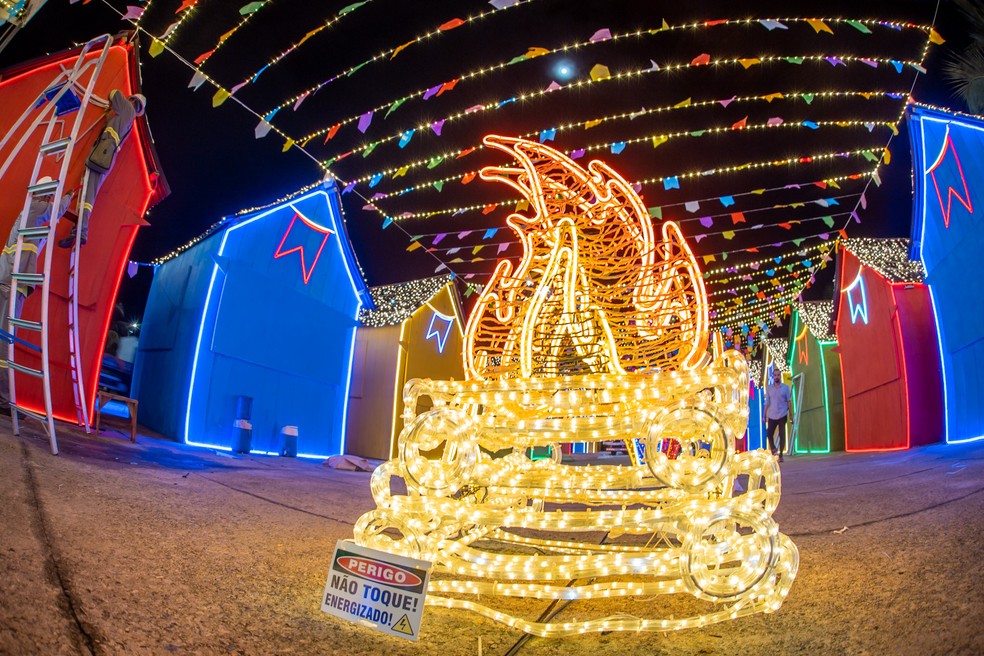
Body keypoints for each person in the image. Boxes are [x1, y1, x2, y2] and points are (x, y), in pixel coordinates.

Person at [0, 183, 75, 410]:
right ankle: (3, 400)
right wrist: (70, 195)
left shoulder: (28, 216)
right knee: (5, 343)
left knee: (3, 340)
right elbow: (57, 209)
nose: (49, 199)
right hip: (13, 283)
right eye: (49, 195)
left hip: (8, 281)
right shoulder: (35, 208)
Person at [58, 89, 145, 248]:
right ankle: (78, 231)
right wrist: (108, 114)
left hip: (100, 156)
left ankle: (81, 232)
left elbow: (113, 93)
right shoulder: (127, 119)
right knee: (87, 196)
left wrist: (112, 103)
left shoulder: (127, 108)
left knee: (87, 196)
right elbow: (111, 127)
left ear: (132, 101)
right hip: (104, 157)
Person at [763, 370, 792, 462]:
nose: (777, 377)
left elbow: (788, 401)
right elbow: (767, 402)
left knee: (782, 434)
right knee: (769, 433)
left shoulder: (785, 388)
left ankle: (781, 455)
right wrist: (764, 415)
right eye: (775, 375)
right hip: (772, 415)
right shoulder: (769, 388)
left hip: (782, 414)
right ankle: (773, 449)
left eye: (778, 375)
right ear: (773, 377)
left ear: (780, 376)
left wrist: (791, 415)